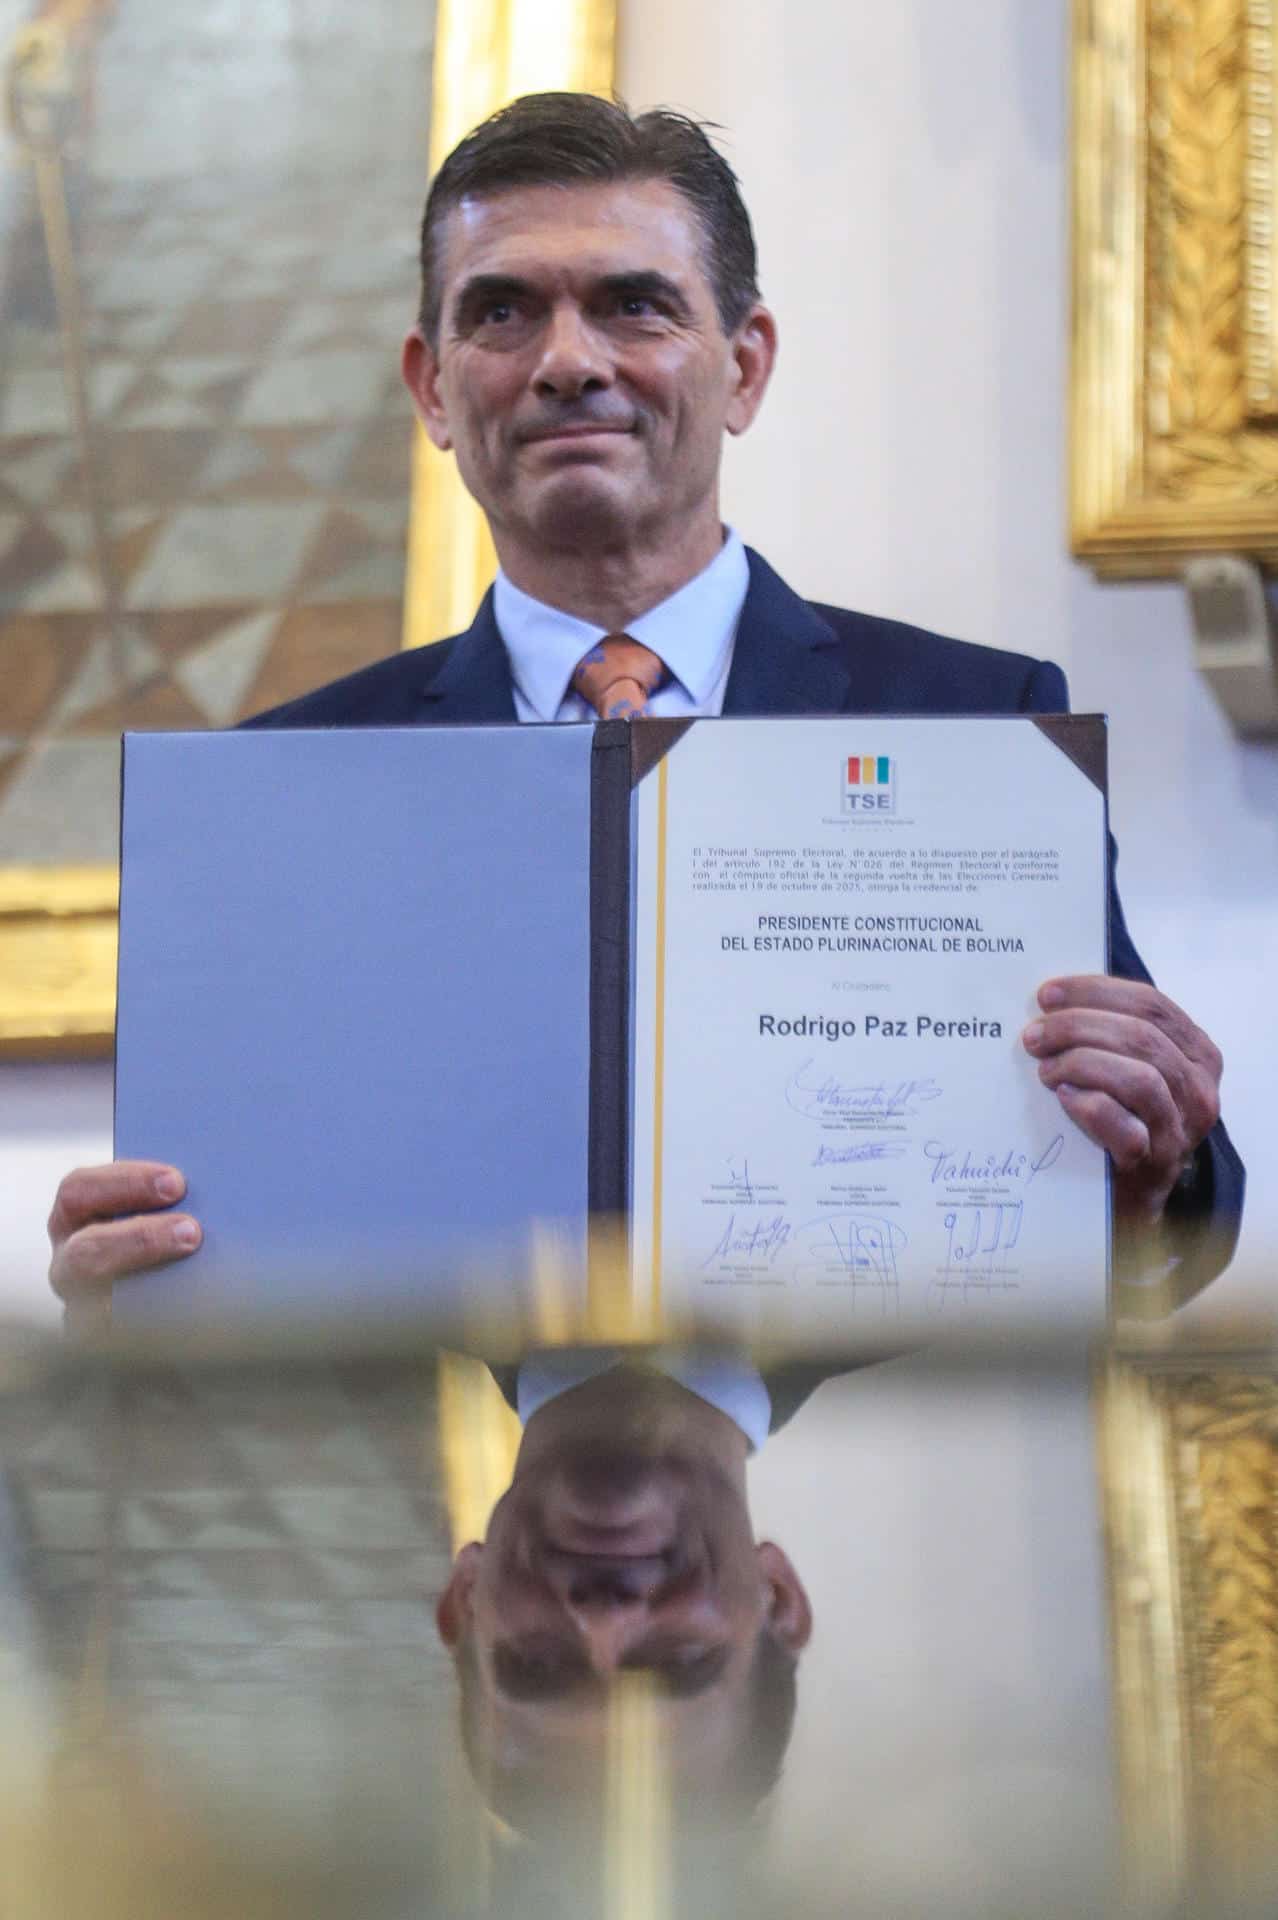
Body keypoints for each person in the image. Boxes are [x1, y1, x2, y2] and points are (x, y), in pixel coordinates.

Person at [47, 91, 1241, 1315]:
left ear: (745, 364)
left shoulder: (976, 722)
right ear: (431, 389)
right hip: (438, 1470)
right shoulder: (285, 788)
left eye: (634, 304)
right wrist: (139, 1290)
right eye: (502, 311)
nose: (568, 361)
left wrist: (1158, 1157)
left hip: (876, 1462)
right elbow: (240, 1241)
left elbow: (1164, 1219)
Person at [446, 1348, 814, 1823]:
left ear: (465, 1596)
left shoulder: (351, 1291)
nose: (605, 1618)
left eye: (539, 1662)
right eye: (678, 1659)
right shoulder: (932, 1298)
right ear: (779, 1598)